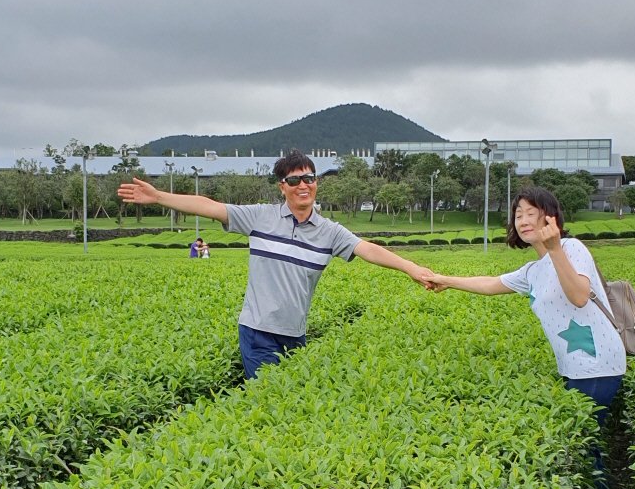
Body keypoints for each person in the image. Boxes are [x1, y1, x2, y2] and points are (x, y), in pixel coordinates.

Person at [118, 152, 431, 379]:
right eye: (294, 180)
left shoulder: (330, 231)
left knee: (291, 401)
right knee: (271, 399)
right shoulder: (261, 217)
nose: (302, 185)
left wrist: (411, 268)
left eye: (309, 178)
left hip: (296, 334)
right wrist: (159, 196)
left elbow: (368, 249)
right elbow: (210, 207)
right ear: (283, 186)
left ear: (316, 183)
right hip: (258, 332)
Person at [422, 186, 626, 489]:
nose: (523, 220)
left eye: (532, 213)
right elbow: (491, 284)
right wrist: (445, 280)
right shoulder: (532, 271)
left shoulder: (571, 248)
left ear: (551, 217)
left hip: (599, 364)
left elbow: (579, 295)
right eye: (518, 215)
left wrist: (555, 247)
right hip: (575, 368)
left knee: (583, 444)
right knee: (585, 444)